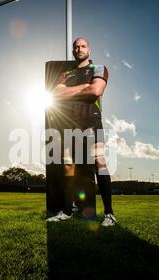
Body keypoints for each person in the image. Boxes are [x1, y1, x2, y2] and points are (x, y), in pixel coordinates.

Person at [46, 37, 116, 227]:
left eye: (83, 46)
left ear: (89, 49)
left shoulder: (99, 68)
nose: (79, 49)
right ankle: (67, 212)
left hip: (91, 120)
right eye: (76, 47)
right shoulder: (65, 74)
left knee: (99, 162)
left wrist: (76, 91)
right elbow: (56, 94)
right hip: (69, 122)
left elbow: (95, 91)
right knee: (68, 165)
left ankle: (109, 214)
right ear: (73, 50)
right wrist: (83, 87)